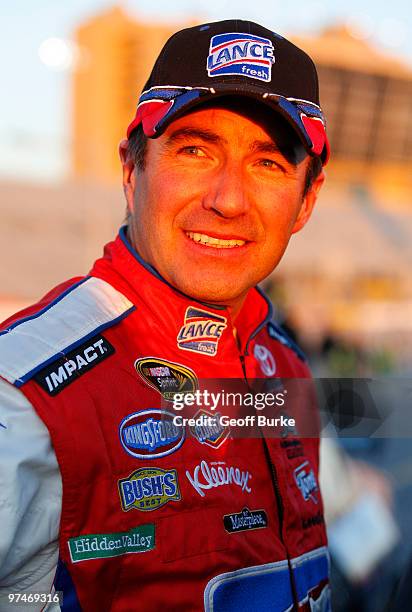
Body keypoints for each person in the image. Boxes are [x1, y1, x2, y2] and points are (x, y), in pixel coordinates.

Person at [0, 19, 331, 612]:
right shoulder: (23, 392)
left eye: (269, 163)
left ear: (307, 198)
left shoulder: (288, 365)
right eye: (195, 150)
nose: (227, 200)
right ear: (132, 169)